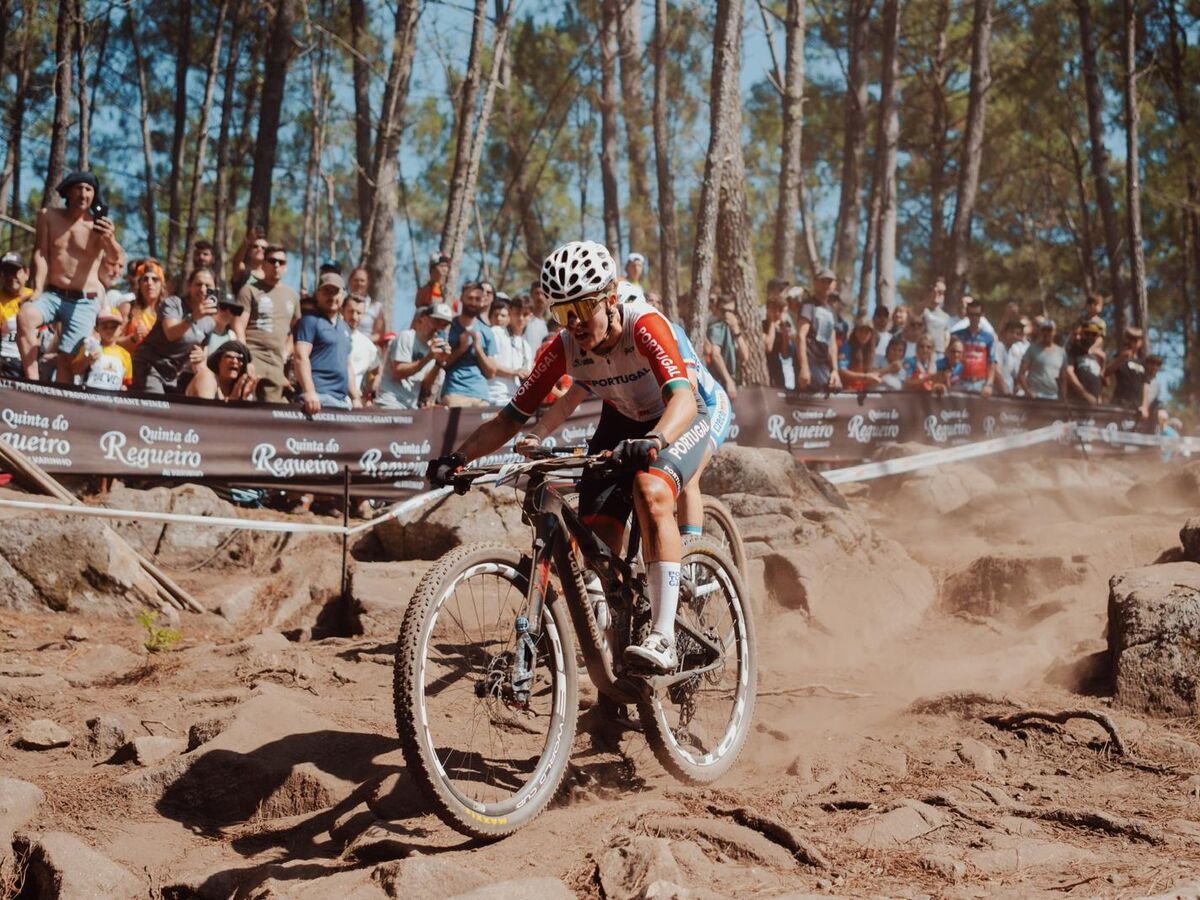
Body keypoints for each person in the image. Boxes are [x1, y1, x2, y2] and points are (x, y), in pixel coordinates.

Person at [428, 240, 709, 672]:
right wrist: (458, 457)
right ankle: (616, 669)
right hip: (621, 421)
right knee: (599, 547)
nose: (573, 324)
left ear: (610, 299)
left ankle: (665, 635)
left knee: (650, 490)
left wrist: (656, 439)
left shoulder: (644, 325)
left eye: (581, 310)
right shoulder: (564, 347)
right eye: (562, 313)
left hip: (675, 417)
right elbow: (508, 420)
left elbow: (684, 400)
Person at [18, 171, 124, 382]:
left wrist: (110, 238)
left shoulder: (98, 225)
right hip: (53, 294)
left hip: (84, 301)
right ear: (68, 191)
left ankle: (59, 401)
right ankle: (32, 382)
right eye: (79, 188)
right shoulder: (48, 216)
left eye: (88, 189)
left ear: (94, 195)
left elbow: (116, 258)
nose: (83, 194)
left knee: (67, 360)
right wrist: (38, 288)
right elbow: (41, 253)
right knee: (25, 316)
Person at [132, 267, 220, 394]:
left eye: (208, 286)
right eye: (198, 284)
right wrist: (193, 316)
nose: (202, 289)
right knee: (158, 404)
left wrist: (200, 356)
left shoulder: (210, 322)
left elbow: (202, 359)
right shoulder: (173, 303)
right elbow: (171, 334)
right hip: (149, 366)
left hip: (174, 375)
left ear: (215, 290)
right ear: (189, 286)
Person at [234, 244, 299, 402]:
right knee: (244, 405)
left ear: (285, 267)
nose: (276, 265)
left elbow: (296, 330)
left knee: (273, 410)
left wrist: (286, 352)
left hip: (277, 363)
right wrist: (245, 357)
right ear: (263, 264)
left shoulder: (292, 295)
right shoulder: (249, 289)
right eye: (272, 260)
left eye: (281, 262)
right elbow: (238, 325)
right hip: (252, 356)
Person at [293, 272, 360, 413]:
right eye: (326, 291)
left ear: (343, 295)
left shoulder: (345, 328)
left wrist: (355, 398)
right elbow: (300, 357)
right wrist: (309, 392)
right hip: (317, 400)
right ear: (317, 294)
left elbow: (347, 365)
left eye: (335, 292)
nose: (332, 296)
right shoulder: (309, 321)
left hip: (342, 402)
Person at [376, 303, 454, 409]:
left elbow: (425, 386)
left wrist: (439, 363)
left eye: (444, 325)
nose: (439, 327)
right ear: (423, 319)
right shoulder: (407, 337)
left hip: (411, 407)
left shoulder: (433, 349)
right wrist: (428, 358)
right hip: (390, 403)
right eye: (437, 321)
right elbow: (397, 373)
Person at [440, 281, 499, 407]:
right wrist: (461, 349)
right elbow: (440, 364)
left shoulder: (487, 331)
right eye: (470, 298)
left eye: (477, 299)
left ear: (482, 301)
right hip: (454, 393)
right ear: (461, 297)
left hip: (481, 395)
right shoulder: (447, 328)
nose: (473, 302)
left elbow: (491, 373)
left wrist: (478, 349)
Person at [795, 271, 841, 393]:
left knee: (836, 388)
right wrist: (804, 367)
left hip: (824, 365)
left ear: (834, 285)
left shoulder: (831, 311)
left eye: (829, 282)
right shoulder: (808, 306)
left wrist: (835, 370)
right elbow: (800, 336)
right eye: (823, 281)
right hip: (810, 363)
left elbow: (832, 343)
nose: (826, 285)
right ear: (816, 283)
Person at [70, 305, 132, 392]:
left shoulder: (125, 355)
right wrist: (87, 360)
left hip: (112, 397)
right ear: (97, 328)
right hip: (89, 395)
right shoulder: (89, 347)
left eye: (114, 327)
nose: (109, 330)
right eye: (105, 326)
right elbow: (74, 370)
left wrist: (123, 388)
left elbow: (125, 382)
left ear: (121, 329)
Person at [485, 295, 533, 405]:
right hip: (494, 395)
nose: (520, 318)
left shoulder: (527, 347)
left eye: (525, 314)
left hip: (516, 400)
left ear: (530, 316)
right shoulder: (496, 332)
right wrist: (515, 372)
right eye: (517, 313)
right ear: (510, 312)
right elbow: (490, 365)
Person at [949, 297, 998, 395]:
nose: (974, 318)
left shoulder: (988, 337)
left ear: (982, 315)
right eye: (971, 315)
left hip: (980, 383)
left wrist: (989, 384)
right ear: (966, 315)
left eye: (977, 315)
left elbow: (991, 363)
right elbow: (948, 358)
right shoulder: (956, 335)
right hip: (959, 381)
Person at [117, 259, 164, 354]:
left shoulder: (168, 311)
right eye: (145, 279)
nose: (149, 283)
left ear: (161, 284)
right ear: (139, 284)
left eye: (155, 279)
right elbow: (113, 341)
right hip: (130, 361)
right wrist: (133, 338)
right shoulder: (127, 308)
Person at [186, 340, 258, 402]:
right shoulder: (206, 377)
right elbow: (206, 411)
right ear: (218, 361)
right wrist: (233, 400)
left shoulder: (241, 389)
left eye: (240, 359)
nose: (235, 361)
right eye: (229, 357)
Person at [342, 293, 380, 403]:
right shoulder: (331, 335)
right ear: (342, 311)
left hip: (354, 405)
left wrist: (369, 394)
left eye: (359, 313)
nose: (354, 317)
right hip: (331, 401)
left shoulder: (368, 345)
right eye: (351, 311)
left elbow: (377, 371)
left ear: (363, 315)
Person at [0, 252, 33, 378]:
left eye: (15, 271)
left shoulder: (37, 297)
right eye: (6, 272)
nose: (10, 276)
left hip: (36, 362)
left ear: (26, 273)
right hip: (7, 363)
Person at [706, 295, 748, 392]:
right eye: (723, 311)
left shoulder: (734, 328)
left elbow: (745, 356)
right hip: (720, 380)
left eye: (730, 311)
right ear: (717, 310)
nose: (727, 315)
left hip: (734, 380)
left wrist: (736, 329)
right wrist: (728, 380)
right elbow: (715, 354)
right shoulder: (717, 327)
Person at [1106, 326, 1149, 417]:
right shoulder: (1119, 356)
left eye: (1136, 339)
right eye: (1131, 339)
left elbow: (1145, 385)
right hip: (1119, 403)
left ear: (1141, 342)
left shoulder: (1143, 363)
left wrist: (1144, 406)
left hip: (1137, 407)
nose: (1133, 342)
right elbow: (1106, 372)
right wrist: (1120, 358)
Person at [1017, 319, 1066, 400]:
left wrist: (1063, 397)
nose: (1046, 333)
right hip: (1035, 396)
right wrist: (1028, 391)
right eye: (1044, 330)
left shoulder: (1061, 352)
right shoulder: (1032, 349)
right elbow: (1021, 373)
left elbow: (1063, 378)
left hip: (1053, 396)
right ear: (1040, 332)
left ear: (1055, 332)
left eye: (1049, 330)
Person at [1062, 321, 1106, 406]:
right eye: (1087, 334)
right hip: (1076, 405)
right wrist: (1085, 394)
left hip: (1094, 406)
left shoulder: (1096, 356)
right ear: (1081, 334)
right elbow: (1069, 374)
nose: (1091, 337)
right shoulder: (1073, 351)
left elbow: (1100, 379)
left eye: (1094, 334)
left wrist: (1099, 398)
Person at [838, 317, 881, 392]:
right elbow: (842, 371)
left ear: (871, 334)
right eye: (861, 330)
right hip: (847, 391)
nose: (863, 334)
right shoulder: (846, 348)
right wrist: (864, 376)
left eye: (866, 332)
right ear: (855, 332)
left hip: (864, 391)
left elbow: (873, 372)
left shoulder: (871, 350)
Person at [762, 279, 790, 388]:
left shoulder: (782, 325)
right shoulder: (762, 323)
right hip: (764, 368)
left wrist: (785, 335)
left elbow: (785, 354)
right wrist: (772, 322)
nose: (777, 313)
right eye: (773, 309)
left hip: (777, 369)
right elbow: (768, 347)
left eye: (780, 310)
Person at [347, 267, 387, 340]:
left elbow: (379, 334)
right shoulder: (341, 304)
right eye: (356, 280)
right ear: (350, 282)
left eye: (362, 280)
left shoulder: (376, 307)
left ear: (367, 283)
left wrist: (364, 342)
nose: (359, 283)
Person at [995, 318, 1029, 395]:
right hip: (998, 393)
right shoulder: (999, 347)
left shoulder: (1013, 350)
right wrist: (1005, 391)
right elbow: (996, 372)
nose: (1014, 336)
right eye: (1011, 332)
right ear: (1005, 333)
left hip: (1009, 392)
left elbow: (1016, 375)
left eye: (1018, 334)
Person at [230, 227, 267, 293]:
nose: (259, 249)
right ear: (249, 251)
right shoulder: (243, 271)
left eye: (263, 248)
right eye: (255, 246)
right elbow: (236, 262)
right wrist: (248, 241)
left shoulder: (269, 276)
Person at [921, 277, 951, 356]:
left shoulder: (946, 316)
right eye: (938, 291)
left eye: (942, 292)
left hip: (940, 353)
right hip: (924, 351)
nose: (939, 294)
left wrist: (944, 350)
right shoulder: (923, 311)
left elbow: (947, 336)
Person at [522, 278, 552, 351]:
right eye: (537, 293)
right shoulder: (523, 319)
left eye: (543, 294)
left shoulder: (547, 325)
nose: (540, 297)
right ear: (531, 296)